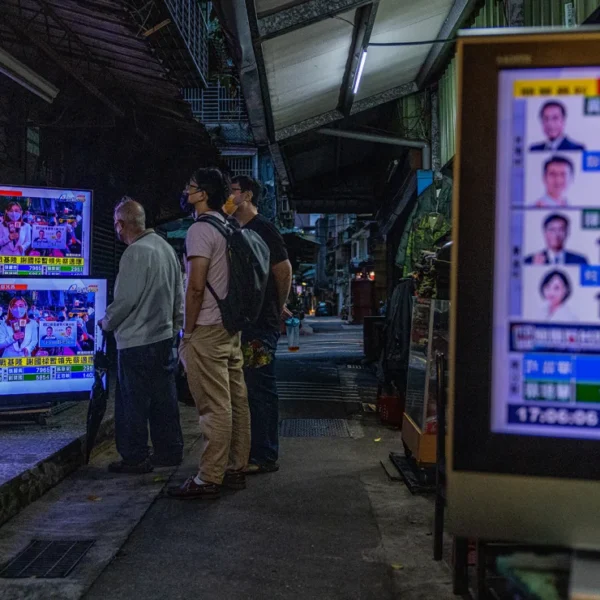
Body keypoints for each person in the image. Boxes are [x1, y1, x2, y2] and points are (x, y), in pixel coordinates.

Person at [169, 167, 250, 499]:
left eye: (189, 186)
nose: (185, 192)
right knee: (236, 401)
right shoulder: (228, 226)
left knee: (214, 406)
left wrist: (187, 331)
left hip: (206, 327)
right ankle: (234, 467)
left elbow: (196, 287)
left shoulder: (200, 230)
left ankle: (208, 477)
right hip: (230, 327)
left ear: (202, 194)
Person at [100, 198, 184, 474]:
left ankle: (134, 457)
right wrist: (174, 327)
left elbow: (125, 301)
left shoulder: (135, 253)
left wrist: (106, 322)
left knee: (132, 402)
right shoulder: (165, 248)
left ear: (121, 224)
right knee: (164, 399)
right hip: (164, 337)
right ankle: (169, 451)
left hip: (136, 341)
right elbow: (179, 296)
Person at [229, 175, 292, 475]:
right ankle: (251, 450)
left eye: (233, 192)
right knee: (246, 388)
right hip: (243, 323)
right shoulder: (233, 230)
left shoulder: (263, 228)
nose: (228, 197)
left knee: (260, 386)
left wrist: (276, 307)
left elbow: (283, 270)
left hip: (260, 325)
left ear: (247, 196)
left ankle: (265, 454)